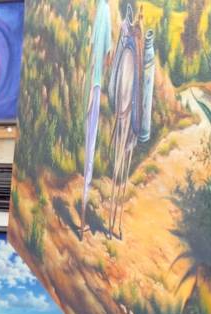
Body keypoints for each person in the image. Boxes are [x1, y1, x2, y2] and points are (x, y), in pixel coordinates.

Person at [79, 0, 113, 234]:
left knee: (88, 143)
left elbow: (94, 49)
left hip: (90, 82)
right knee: (90, 145)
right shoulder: (105, 11)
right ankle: (83, 205)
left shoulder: (101, 10)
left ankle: (83, 206)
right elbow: (106, 55)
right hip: (95, 83)